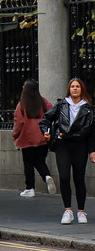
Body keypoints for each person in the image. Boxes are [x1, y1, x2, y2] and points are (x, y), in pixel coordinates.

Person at [39, 78, 95, 224]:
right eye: (72, 87)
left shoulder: (88, 109)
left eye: (77, 86)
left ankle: (81, 212)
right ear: (69, 89)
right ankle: (67, 210)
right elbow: (45, 120)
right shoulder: (61, 104)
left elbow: (92, 133)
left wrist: (92, 151)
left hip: (80, 146)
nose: (75, 89)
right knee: (64, 177)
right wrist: (46, 132)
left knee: (79, 178)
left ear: (82, 89)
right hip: (63, 145)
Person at [12, 79, 56, 197]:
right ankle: (46, 176)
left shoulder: (22, 105)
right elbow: (53, 113)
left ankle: (30, 188)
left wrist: (15, 135)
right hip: (43, 138)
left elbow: (19, 123)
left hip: (27, 139)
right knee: (40, 160)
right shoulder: (44, 102)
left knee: (28, 163)